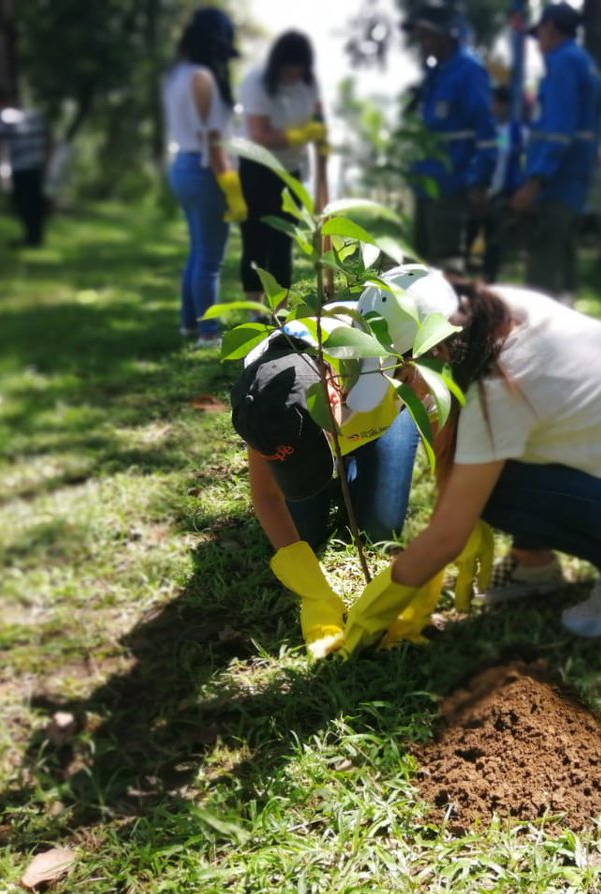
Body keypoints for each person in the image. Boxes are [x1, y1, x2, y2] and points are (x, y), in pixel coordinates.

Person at [340, 267, 601, 655]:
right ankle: (533, 564)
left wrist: (371, 615)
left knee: (493, 493)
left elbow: (448, 535)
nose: (402, 385)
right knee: (486, 473)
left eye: (402, 372)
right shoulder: (491, 309)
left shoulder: (496, 389)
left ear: (436, 351)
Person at [229, 268, 447, 658]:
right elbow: (266, 495)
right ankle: (330, 469)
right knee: (305, 537)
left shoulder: (406, 358)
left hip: (382, 424)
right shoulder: (265, 391)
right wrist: (313, 591)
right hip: (327, 429)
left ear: (333, 393)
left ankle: (347, 466)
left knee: (381, 528)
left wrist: (439, 549)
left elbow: (446, 448)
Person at [162, 6, 247, 348]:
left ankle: (189, 324)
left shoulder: (177, 75)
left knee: (197, 251)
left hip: (182, 166)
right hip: (204, 170)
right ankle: (209, 333)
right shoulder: (203, 78)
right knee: (210, 259)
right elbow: (213, 142)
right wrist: (232, 188)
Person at [510, 2, 601, 302]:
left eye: (539, 34)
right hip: (574, 174)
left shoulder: (564, 63)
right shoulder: (583, 62)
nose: (538, 43)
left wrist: (536, 180)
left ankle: (544, 331)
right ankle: (569, 317)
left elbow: (558, 131)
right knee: (564, 252)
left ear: (550, 28)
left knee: (544, 254)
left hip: (558, 178)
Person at [403, 3, 497, 270]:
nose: (422, 43)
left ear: (448, 35)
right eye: (419, 37)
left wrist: (481, 182)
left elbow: (486, 132)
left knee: (447, 266)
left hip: (452, 183)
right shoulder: (435, 74)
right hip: (425, 183)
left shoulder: (469, 71)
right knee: (420, 263)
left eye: (427, 36)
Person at [236, 30, 328, 301]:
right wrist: (297, 135)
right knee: (255, 240)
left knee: (282, 242)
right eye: (290, 70)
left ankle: (280, 312)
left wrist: (321, 143)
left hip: (291, 171)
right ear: (279, 64)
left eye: (299, 70)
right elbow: (259, 134)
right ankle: (257, 309)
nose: (293, 76)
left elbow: (319, 117)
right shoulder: (256, 83)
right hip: (257, 168)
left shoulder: (309, 83)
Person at [464, 84, 525, 282]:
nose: (496, 107)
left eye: (500, 103)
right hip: (477, 188)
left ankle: (490, 279)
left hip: (501, 193)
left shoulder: (517, 132)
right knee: (469, 234)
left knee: (495, 239)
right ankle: (465, 275)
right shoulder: (481, 128)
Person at [0, 89, 50, 248]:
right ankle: (36, 236)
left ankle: (31, 237)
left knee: (24, 203)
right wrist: (47, 161)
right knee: (34, 203)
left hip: (20, 167)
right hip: (36, 166)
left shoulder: (3, 119)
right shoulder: (34, 116)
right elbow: (49, 138)